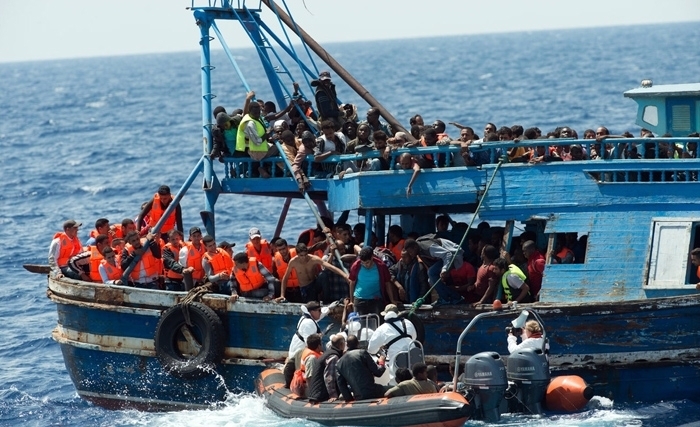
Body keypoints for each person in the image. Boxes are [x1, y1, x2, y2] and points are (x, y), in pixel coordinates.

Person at [277, 243, 349, 303]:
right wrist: (282, 295)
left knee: (323, 275)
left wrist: (345, 275)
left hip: (314, 284)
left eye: (305, 255)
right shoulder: (293, 262)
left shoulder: (313, 259)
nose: (304, 257)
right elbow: (285, 278)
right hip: (305, 289)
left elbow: (330, 267)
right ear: (297, 254)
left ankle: (326, 301)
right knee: (311, 303)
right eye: (301, 255)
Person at [403, 236, 465, 305]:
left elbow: (447, 254)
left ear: (415, 247)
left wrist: (444, 270)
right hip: (445, 257)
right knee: (431, 280)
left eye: (411, 252)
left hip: (453, 254)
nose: (411, 255)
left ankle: (448, 298)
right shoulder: (419, 250)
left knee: (431, 272)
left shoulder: (428, 247)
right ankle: (451, 297)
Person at [367, 304, 417, 380]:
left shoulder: (382, 329)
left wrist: (381, 349)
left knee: (394, 380)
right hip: (414, 356)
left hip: (397, 363)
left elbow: (371, 349)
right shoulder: (408, 322)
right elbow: (414, 337)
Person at [336, 335, 387, 401]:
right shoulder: (362, 353)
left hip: (358, 396)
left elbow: (341, 384)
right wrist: (381, 362)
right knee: (393, 389)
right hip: (373, 391)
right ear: (358, 343)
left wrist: (349, 400)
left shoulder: (339, 362)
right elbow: (378, 373)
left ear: (347, 345)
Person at [348, 247, 393, 315]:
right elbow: (352, 283)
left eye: (367, 262)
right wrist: (351, 300)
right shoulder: (356, 266)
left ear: (372, 257)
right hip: (359, 300)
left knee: (377, 323)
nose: (365, 265)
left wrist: (392, 300)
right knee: (359, 324)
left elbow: (387, 283)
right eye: (363, 263)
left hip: (376, 300)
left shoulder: (381, 266)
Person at [308, 333, 346, 403]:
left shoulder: (328, 353)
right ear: (341, 345)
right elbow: (329, 377)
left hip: (316, 392)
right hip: (320, 394)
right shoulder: (333, 357)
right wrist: (333, 395)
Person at [290, 333, 324, 398]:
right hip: (308, 387)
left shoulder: (316, 353)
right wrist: (313, 393)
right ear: (319, 345)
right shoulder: (312, 358)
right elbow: (309, 377)